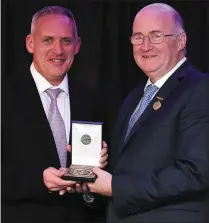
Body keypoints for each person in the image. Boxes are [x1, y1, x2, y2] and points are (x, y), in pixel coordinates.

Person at [86, 3, 209, 222]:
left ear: (181, 41)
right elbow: (127, 167)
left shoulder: (200, 89)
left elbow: (196, 173)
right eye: (138, 37)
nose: (145, 46)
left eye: (156, 36)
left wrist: (115, 186)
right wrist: (93, 170)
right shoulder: (134, 98)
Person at [2, 5, 108, 223]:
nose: (58, 50)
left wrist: (101, 166)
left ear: (77, 45)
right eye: (48, 40)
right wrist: (38, 181)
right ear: (30, 43)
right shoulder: (5, 97)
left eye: (66, 41)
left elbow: (102, 189)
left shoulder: (94, 101)